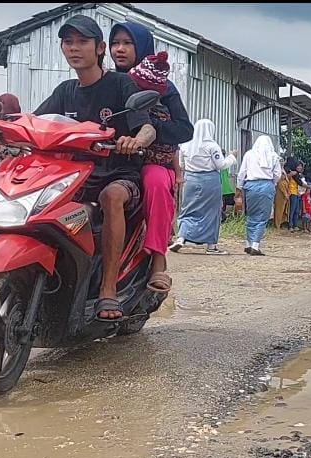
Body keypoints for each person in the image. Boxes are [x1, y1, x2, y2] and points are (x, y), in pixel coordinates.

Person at [22, 16, 157, 321]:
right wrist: (1, 126)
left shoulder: (121, 84)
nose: (74, 48)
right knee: (46, 211)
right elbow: (34, 123)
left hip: (120, 176)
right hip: (76, 180)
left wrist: (135, 141)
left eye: (82, 42)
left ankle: (108, 289)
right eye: (68, 42)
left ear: (99, 49)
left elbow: (147, 128)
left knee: (111, 196)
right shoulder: (65, 90)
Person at [107, 20, 194, 295]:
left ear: (142, 47)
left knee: (155, 182)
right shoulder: (104, 82)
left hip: (151, 162)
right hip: (112, 160)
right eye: (115, 43)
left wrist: (147, 129)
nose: (119, 49)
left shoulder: (163, 87)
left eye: (127, 43)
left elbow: (184, 129)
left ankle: (158, 261)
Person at [170, 118, 237, 254]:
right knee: (212, 212)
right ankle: (211, 246)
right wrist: (232, 157)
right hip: (209, 181)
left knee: (188, 209)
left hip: (190, 179)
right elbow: (221, 165)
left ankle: (181, 238)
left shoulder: (186, 145)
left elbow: (182, 165)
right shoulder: (212, 146)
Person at [236, 135, 282, 255]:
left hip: (250, 186)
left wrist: (239, 187)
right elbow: (277, 174)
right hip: (267, 185)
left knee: (251, 215)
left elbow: (242, 173)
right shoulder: (274, 156)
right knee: (262, 217)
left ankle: (248, 243)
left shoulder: (249, 154)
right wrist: (272, 183)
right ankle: (255, 245)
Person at [284, 159, 310, 232]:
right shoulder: (294, 173)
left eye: (301, 167)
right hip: (293, 192)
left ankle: (294, 225)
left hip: (297, 193)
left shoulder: (297, 174)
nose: (300, 168)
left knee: (296, 210)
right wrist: (307, 186)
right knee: (292, 210)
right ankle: (290, 225)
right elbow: (300, 183)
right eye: (299, 166)